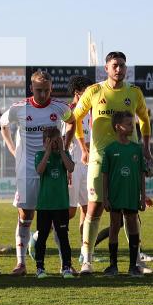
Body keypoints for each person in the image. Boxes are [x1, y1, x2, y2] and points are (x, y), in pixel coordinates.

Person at [66, 52, 151, 275]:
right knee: (95, 207)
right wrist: (83, 147)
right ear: (106, 68)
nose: (119, 69)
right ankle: (87, 260)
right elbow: (75, 117)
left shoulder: (134, 92)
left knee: (131, 211)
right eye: (115, 65)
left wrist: (146, 146)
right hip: (100, 158)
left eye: (122, 66)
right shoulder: (94, 91)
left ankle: (136, 260)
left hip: (128, 158)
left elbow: (144, 119)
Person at [0, 70, 72, 275]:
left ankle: (65, 264)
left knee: (59, 217)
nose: (42, 95)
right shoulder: (19, 108)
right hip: (28, 171)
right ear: (31, 88)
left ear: (51, 89)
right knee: (25, 216)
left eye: (46, 90)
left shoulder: (60, 107)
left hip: (52, 171)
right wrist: (13, 150)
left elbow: (72, 121)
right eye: (39, 90)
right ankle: (21, 263)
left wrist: (64, 146)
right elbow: (2, 124)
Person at [101, 111, 147, 277]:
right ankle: (113, 265)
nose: (131, 127)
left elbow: (142, 173)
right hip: (115, 195)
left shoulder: (137, 149)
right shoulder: (110, 150)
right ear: (118, 127)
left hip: (131, 195)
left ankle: (133, 266)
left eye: (132, 123)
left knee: (132, 224)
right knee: (114, 226)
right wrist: (105, 197)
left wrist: (143, 196)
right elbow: (105, 175)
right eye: (128, 124)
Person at [33, 126, 75, 278]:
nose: (55, 144)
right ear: (45, 142)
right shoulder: (40, 155)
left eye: (57, 141)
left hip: (61, 204)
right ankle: (40, 268)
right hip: (44, 205)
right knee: (42, 237)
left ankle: (66, 267)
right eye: (52, 141)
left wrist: (62, 150)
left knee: (63, 236)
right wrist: (48, 152)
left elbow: (71, 168)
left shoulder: (65, 155)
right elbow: (39, 170)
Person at [66, 75, 93, 264]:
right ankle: (37, 238)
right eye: (87, 91)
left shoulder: (92, 111)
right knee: (69, 212)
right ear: (78, 93)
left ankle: (85, 250)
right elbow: (62, 140)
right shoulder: (68, 112)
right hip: (73, 166)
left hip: (89, 166)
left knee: (88, 208)